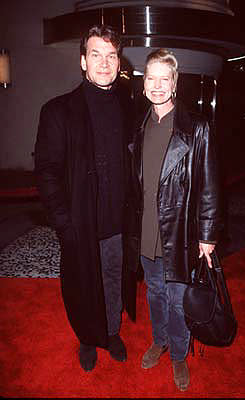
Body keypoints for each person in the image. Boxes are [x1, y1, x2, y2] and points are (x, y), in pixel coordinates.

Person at [34, 25, 135, 372]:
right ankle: (88, 338)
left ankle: (110, 332)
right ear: (83, 61)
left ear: (118, 61)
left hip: (117, 221)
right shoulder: (58, 110)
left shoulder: (125, 103)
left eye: (110, 56)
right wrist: (64, 223)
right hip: (80, 221)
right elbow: (46, 172)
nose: (104, 63)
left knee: (112, 278)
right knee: (81, 284)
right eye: (96, 55)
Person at [124, 49, 221, 391]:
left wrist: (207, 236)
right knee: (154, 293)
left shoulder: (196, 129)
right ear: (144, 82)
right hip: (146, 231)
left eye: (165, 78)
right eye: (152, 77)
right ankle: (160, 340)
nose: (158, 85)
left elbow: (209, 187)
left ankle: (178, 353)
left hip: (178, 233)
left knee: (178, 300)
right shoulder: (137, 125)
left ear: (175, 84)